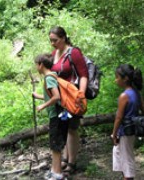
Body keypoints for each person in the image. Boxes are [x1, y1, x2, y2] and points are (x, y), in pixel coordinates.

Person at [48, 26, 88, 176]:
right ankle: (64, 158)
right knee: (63, 127)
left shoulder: (74, 53)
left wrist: (81, 96)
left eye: (55, 40)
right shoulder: (54, 53)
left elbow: (83, 75)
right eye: (51, 40)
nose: (52, 43)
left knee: (72, 128)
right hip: (60, 100)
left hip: (72, 98)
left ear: (63, 38)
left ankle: (72, 161)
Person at [32, 53, 68, 180]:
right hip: (62, 113)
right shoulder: (53, 75)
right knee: (56, 144)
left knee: (55, 144)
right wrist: (39, 97)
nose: (36, 67)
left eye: (36, 64)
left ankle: (57, 174)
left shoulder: (49, 78)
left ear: (41, 65)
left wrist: (42, 106)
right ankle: (54, 171)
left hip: (57, 115)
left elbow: (56, 97)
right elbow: (52, 96)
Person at [111, 64, 144, 180]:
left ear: (125, 78)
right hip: (132, 131)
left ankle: (127, 177)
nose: (115, 80)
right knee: (120, 154)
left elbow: (119, 117)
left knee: (127, 161)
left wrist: (114, 133)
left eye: (117, 77)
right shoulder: (136, 93)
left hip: (124, 132)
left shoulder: (124, 96)